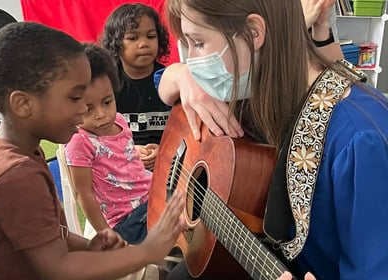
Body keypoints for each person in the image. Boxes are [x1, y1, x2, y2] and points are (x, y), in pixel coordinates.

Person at [157, 0, 388, 279]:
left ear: (255, 33)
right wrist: (180, 76)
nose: (192, 63)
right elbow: (166, 85)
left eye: (198, 43)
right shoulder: (252, 93)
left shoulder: (360, 140)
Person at [0, 21, 186, 280]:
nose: (84, 110)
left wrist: (87, 246)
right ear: (24, 104)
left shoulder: (19, 152)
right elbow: (58, 269)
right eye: (74, 98)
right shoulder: (18, 175)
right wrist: (147, 252)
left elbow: (51, 233)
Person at [65, 43, 152, 245]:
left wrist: (135, 151)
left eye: (107, 102)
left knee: (192, 195)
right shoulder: (79, 141)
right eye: (88, 108)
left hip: (152, 194)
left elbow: (119, 154)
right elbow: (83, 194)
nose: (101, 114)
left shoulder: (119, 120)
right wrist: (106, 235)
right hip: (127, 221)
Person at [101, 3, 172, 171]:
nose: (144, 44)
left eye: (151, 36)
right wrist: (129, 152)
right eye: (133, 38)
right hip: (118, 165)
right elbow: (93, 133)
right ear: (116, 43)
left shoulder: (171, 80)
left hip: (170, 166)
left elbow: (187, 134)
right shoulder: (106, 84)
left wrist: (164, 151)